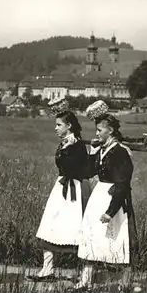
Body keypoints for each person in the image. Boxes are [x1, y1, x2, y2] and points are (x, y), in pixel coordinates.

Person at [75, 101, 138, 290]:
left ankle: (125, 284)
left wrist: (111, 211)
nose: (96, 133)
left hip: (114, 200)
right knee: (91, 236)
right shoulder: (101, 150)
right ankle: (85, 281)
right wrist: (93, 153)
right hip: (98, 196)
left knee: (118, 240)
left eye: (100, 130)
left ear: (110, 131)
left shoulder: (120, 152)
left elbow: (122, 184)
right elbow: (87, 172)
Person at [27, 100, 91, 281]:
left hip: (74, 190)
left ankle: (85, 275)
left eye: (58, 125)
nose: (55, 128)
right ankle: (47, 269)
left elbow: (73, 169)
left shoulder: (77, 145)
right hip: (61, 187)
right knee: (49, 225)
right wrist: (64, 148)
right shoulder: (66, 143)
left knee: (76, 228)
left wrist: (66, 149)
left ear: (68, 126)